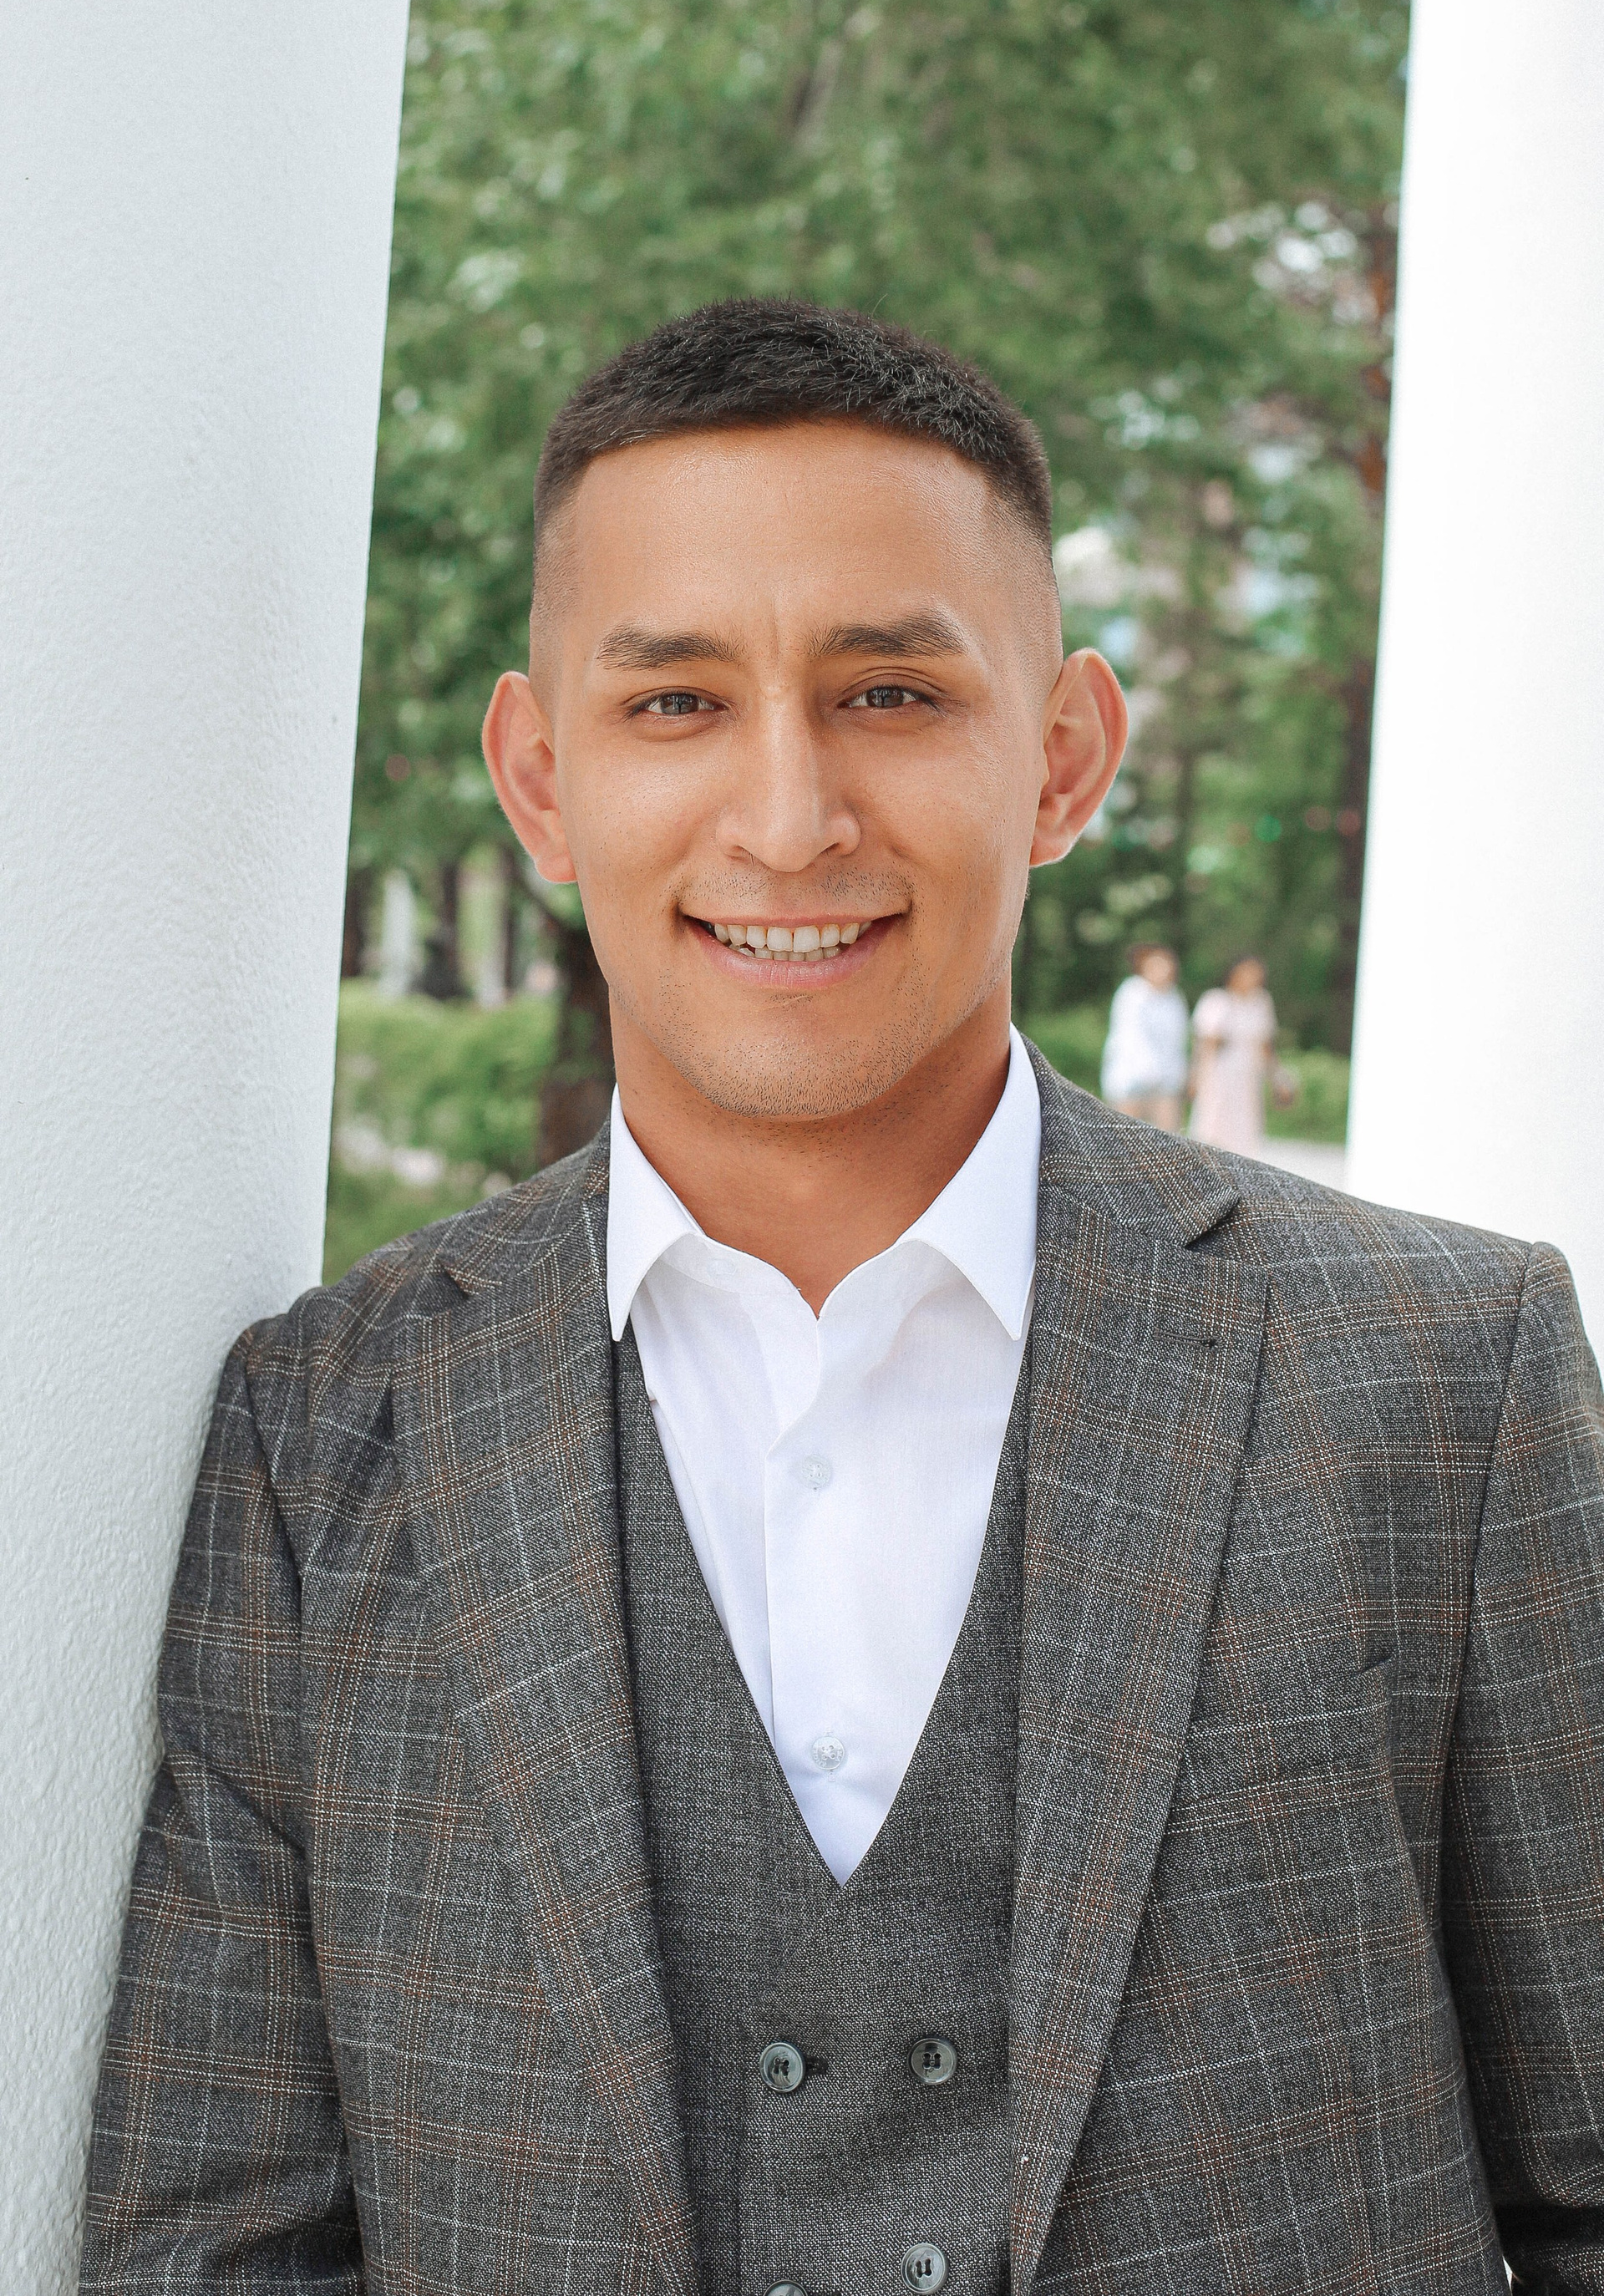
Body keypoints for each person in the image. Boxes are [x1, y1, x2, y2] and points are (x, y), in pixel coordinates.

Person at [80, 301, 1604, 2296]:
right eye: (675, 702)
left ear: (1061, 757)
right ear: (539, 779)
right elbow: (212, 2245)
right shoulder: (320, 1430)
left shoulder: (1445, 1381)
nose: (789, 818)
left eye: (889, 692)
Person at [1189, 952, 1277, 1156]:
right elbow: (1206, 1045)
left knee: (1245, 1129)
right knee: (1213, 1126)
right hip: (1219, 1074)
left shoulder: (1261, 1002)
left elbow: (1265, 1045)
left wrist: (1276, 1077)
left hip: (1249, 1074)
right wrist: (1196, 1077)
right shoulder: (1216, 1000)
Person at [1099, 942, 1189, 1130]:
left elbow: (1177, 1041)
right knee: (1127, 1133)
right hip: (1131, 1077)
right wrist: (1148, 1072)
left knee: (1169, 1134)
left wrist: (1180, 1074)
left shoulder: (1174, 997)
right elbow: (1131, 1038)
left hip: (1166, 1078)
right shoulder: (1131, 993)